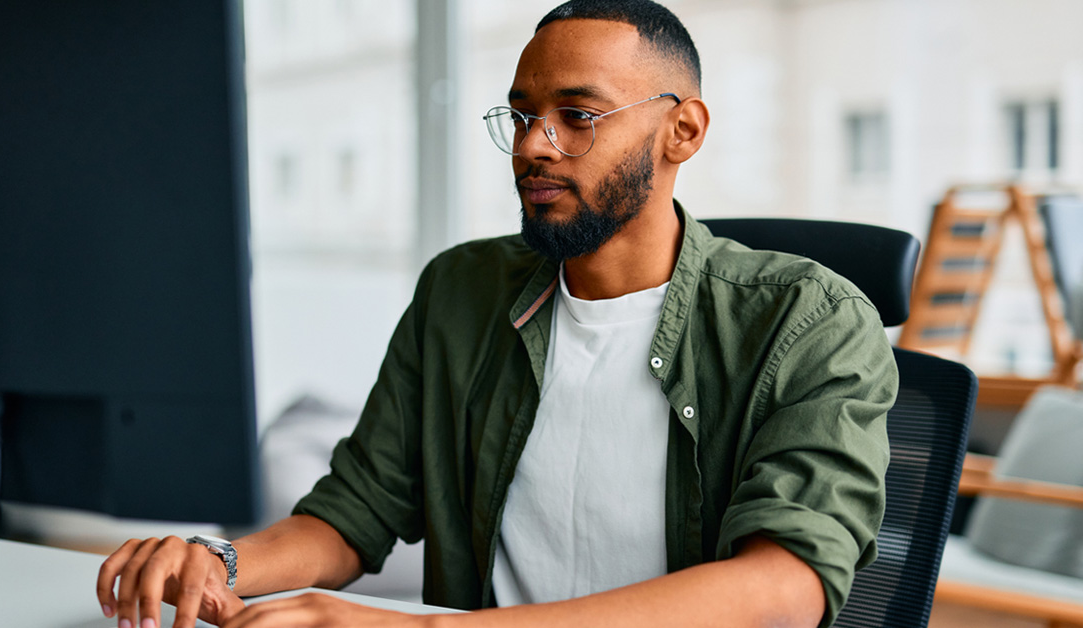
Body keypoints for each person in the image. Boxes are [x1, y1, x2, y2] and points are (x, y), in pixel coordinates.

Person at [96, 1, 897, 627]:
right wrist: (217, 562)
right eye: (522, 115)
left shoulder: (809, 320)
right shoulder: (461, 291)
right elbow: (355, 513)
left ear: (681, 131)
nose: (534, 146)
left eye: (578, 117)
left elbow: (781, 593)